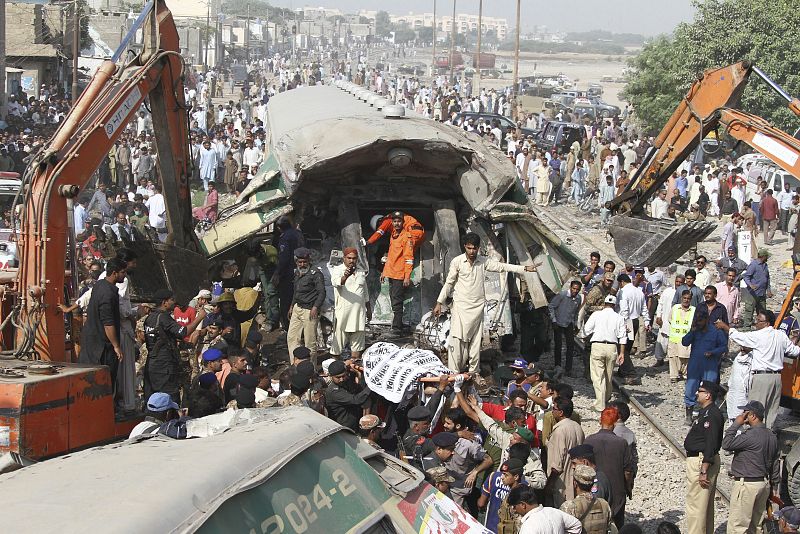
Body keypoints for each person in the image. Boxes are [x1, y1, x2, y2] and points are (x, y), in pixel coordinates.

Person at [434, 232, 536, 374]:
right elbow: (449, 283)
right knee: (457, 339)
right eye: (469, 248)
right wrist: (439, 302)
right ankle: (454, 372)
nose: (471, 251)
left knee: (475, 342)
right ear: (465, 247)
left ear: (478, 248)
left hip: (477, 307)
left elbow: (502, 267)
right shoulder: (457, 262)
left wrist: (524, 268)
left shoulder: (483, 261)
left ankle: (473, 372)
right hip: (460, 307)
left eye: (474, 248)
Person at [716, 310, 800, 428]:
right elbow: (795, 351)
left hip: (762, 377)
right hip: (776, 379)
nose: (756, 324)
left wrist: (725, 327)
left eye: (759, 321)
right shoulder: (781, 335)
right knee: (771, 412)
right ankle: (767, 437)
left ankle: (755, 439)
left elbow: (740, 337)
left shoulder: (760, 335)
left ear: (767, 323)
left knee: (755, 410)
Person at [722, 400, 781, 534]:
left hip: (747, 485)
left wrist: (737, 423)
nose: (743, 415)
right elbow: (775, 463)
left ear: (753, 416)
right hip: (763, 485)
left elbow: (726, 444)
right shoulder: (772, 436)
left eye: (745, 413)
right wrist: (774, 486)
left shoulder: (750, 436)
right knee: (756, 526)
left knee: (738, 527)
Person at [143, 289, 205, 403]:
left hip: (152, 365)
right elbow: (183, 332)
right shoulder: (163, 317)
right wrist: (199, 317)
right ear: (164, 302)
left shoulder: (149, 318)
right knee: (169, 399)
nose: (174, 302)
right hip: (164, 367)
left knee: (152, 399)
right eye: (171, 300)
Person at [79, 258, 126, 391]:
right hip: (101, 348)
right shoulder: (108, 293)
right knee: (103, 382)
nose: (125, 275)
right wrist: (116, 346)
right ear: (115, 273)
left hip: (91, 342)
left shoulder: (100, 285)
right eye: (123, 272)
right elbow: (108, 323)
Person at [683, 380, 724, 534]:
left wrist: (703, 469)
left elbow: (711, 442)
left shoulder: (712, 414)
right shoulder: (706, 412)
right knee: (703, 505)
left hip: (702, 461)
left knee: (696, 506)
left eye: (699, 391)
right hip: (701, 459)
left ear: (707, 395)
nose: (696, 393)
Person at [584, 407, 633, 529]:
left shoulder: (589, 440)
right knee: (617, 524)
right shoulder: (621, 443)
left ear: (600, 421)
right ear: (616, 422)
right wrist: (628, 487)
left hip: (595, 489)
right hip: (616, 491)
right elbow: (627, 471)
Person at [581, 294, 626, 411]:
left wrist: (581, 334)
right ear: (614, 306)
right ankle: (606, 397)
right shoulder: (619, 318)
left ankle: (600, 404)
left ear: (604, 304)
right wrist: (622, 353)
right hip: (612, 347)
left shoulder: (596, 315)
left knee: (597, 376)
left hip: (597, 345)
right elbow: (623, 337)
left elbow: (586, 331)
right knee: (608, 375)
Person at [329, 247, 371, 359]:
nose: (351, 260)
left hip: (359, 315)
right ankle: (335, 372)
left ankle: (353, 373)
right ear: (344, 258)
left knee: (357, 349)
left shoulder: (361, 272)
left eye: (354, 258)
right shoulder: (337, 270)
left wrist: (369, 309)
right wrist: (346, 276)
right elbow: (337, 283)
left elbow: (365, 292)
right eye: (349, 258)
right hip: (343, 315)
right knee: (337, 348)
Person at [380, 211, 416, 334]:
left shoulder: (407, 236)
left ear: (403, 222)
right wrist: (384, 272)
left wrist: (407, 277)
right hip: (391, 273)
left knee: (397, 302)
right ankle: (397, 325)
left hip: (399, 275)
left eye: (399, 221)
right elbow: (390, 256)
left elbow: (409, 258)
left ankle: (396, 329)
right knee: (394, 300)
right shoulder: (393, 235)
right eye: (394, 221)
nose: (396, 223)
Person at [287, 247, 325, 360]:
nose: (302, 264)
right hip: (297, 308)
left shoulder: (315, 273)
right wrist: (292, 305)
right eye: (300, 262)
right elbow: (296, 290)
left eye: (305, 262)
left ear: (309, 261)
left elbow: (322, 292)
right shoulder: (297, 273)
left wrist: (315, 307)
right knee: (292, 337)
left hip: (309, 311)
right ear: (296, 262)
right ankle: (295, 364)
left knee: (310, 342)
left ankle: (311, 368)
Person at [546, 397, 585, 507]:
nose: (552, 411)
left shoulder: (560, 431)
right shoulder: (577, 427)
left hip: (561, 482)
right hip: (575, 479)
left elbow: (557, 464)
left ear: (561, 412)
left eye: (554, 408)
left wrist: (550, 484)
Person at [560, 465, 618, 534]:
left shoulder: (569, 506)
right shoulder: (604, 504)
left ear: (575, 483)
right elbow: (609, 529)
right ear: (593, 484)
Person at [480, 458, 529, 533]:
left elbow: (481, 503)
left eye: (505, 475)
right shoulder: (524, 489)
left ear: (516, 477)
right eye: (502, 474)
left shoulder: (524, 493)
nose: (502, 477)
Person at [508, 485, 582, 534]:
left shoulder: (529, 526)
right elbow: (577, 526)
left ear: (523, 505)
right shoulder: (553, 511)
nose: (514, 510)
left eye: (514, 507)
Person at [616, 273, 648, 383]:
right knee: (628, 347)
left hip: (627, 321)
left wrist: (622, 324)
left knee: (622, 348)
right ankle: (622, 370)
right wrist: (647, 321)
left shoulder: (623, 291)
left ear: (621, 282)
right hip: (635, 321)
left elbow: (624, 309)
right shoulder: (639, 291)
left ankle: (631, 373)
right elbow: (644, 308)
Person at [274, 216, 304, 329]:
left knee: (286, 300)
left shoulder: (285, 237)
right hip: (299, 270)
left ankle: (288, 326)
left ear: (279, 228)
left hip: (288, 273)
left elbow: (284, 258)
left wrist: (278, 273)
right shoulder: (297, 233)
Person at [324, 360, 371, 432]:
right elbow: (356, 400)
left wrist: (354, 370)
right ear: (331, 376)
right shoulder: (333, 392)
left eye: (343, 376)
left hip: (354, 422)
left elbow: (358, 389)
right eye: (338, 377)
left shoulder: (345, 381)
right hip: (345, 428)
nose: (342, 379)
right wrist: (371, 385)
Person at [548, 280, 583, 376]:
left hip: (569, 323)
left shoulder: (578, 298)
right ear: (570, 288)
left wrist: (576, 323)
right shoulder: (562, 295)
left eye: (577, 289)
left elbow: (575, 312)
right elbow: (551, 306)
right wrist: (553, 320)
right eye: (574, 288)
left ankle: (568, 368)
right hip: (558, 322)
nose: (575, 291)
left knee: (570, 346)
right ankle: (557, 365)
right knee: (558, 345)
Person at [741, 249, 772, 329]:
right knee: (749, 311)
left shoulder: (765, 265)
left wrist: (768, 290)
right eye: (766, 256)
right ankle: (746, 328)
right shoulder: (754, 265)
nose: (767, 258)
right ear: (763, 257)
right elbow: (746, 276)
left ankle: (761, 328)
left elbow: (767, 278)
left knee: (762, 312)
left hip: (762, 293)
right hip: (752, 294)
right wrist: (750, 285)